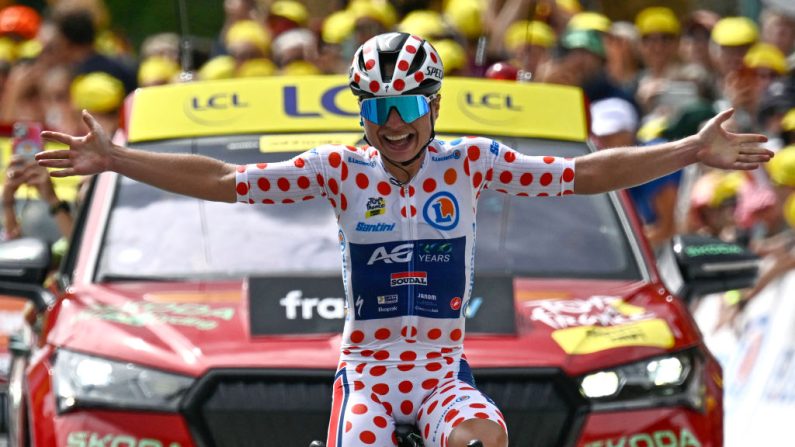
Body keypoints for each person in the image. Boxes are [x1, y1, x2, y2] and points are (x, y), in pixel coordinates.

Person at [36, 32, 772, 447]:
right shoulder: (337, 170)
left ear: (433, 103)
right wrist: (119, 158)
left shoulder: (472, 162)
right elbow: (224, 181)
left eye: (409, 104)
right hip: (370, 379)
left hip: (443, 373)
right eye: (379, 108)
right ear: (362, 111)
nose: (394, 123)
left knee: (487, 436)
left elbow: (587, 174)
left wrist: (683, 153)